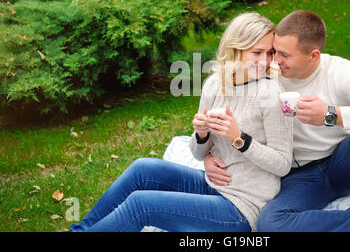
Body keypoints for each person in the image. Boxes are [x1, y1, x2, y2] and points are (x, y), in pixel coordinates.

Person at [205, 10, 350, 232]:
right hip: (297, 177)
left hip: (342, 164)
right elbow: (226, 106)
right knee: (270, 223)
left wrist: (332, 115)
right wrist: (208, 153)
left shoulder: (338, 72)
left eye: (284, 55)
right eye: (275, 51)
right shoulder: (263, 71)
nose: (274, 61)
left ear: (313, 56)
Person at [69, 12, 293, 232]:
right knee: (142, 169)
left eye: (270, 52)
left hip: (241, 207)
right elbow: (197, 152)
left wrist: (239, 138)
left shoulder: (271, 93)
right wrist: (201, 134)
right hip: (211, 185)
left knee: (141, 205)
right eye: (257, 53)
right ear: (236, 50)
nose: (264, 61)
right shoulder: (216, 84)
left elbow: (283, 163)